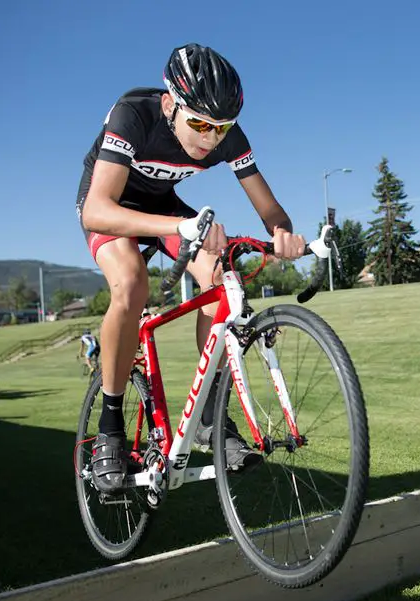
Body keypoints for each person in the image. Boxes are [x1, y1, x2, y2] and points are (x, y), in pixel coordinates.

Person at [76, 43, 306, 494]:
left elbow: (270, 209)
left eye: (222, 129)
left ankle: (208, 416)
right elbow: (96, 210)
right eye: (200, 124)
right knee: (132, 285)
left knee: (220, 279)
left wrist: (283, 235)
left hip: (165, 207)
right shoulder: (134, 115)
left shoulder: (226, 136)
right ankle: (109, 428)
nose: (210, 139)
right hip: (111, 206)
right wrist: (180, 226)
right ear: (169, 104)